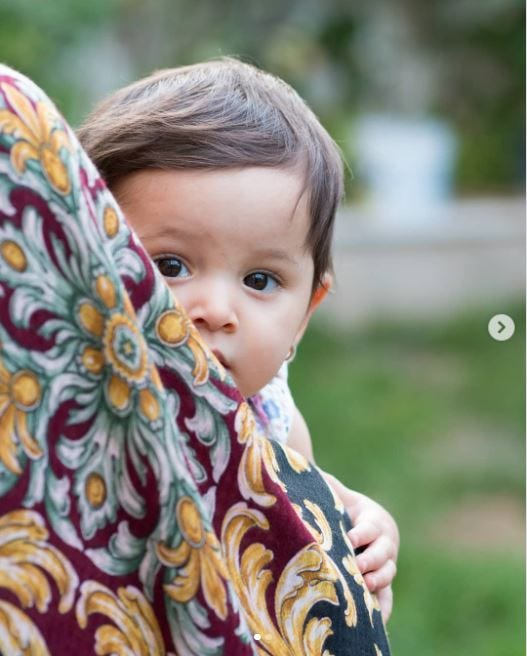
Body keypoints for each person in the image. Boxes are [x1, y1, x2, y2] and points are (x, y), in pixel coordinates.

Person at [78, 58, 399, 619]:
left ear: (304, 315)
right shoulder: (65, 389)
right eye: (171, 264)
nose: (215, 311)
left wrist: (364, 528)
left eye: (259, 281)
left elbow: (307, 514)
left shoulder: (273, 421)